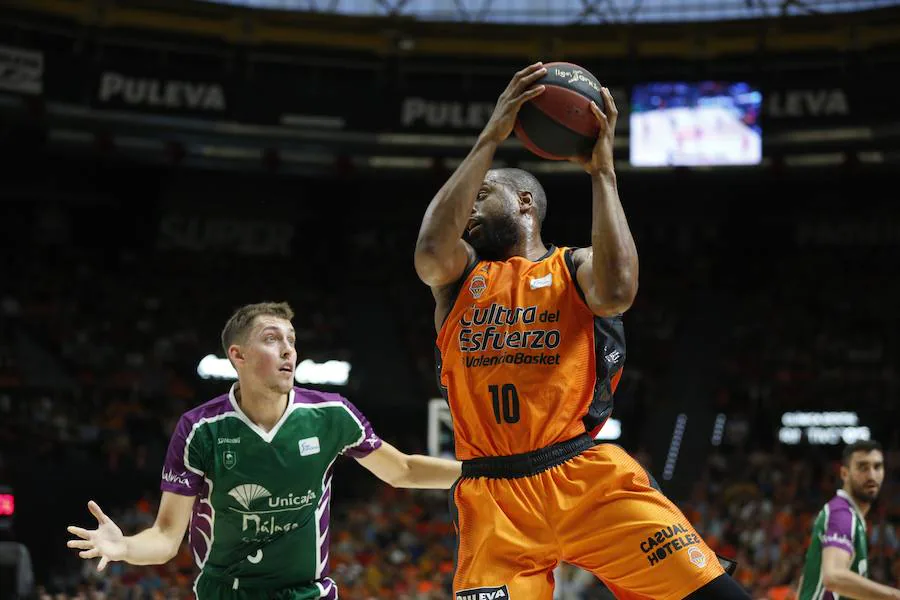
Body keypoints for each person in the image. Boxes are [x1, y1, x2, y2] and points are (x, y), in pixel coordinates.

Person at [414, 62, 748, 600]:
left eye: (484, 195)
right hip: (493, 497)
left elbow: (618, 292)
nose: (470, 206)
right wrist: (489, 138)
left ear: (525, 204)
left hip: (581, 474)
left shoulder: (574, 267)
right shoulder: (460, 279)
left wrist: (602, 172)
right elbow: (429, 250)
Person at [66, 301, 461, 600]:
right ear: (237, 356)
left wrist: (482, 469)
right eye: (272, 339)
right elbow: (167, 538)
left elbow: (403, 471)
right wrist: (125, 547)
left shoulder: (332, 416)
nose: (288, 349)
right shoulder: (200, 430)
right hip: (227, 592)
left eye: (291, 339)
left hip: (308, 592)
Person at [797, 440, 899, 600]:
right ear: (844, 473)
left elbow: (806, 580)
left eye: (877, 467)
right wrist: (894, 596)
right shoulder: (843, 514)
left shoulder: (850, 516)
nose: (872, 475)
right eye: (862, 467)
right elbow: (834, 577)